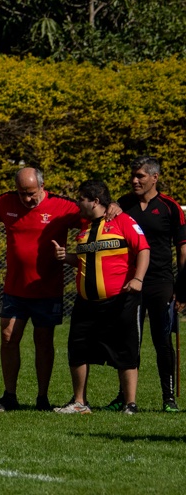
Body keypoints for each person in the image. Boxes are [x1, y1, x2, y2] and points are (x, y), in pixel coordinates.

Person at [0, 168, 82, 412]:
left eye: (32, 193)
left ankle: (42, 398)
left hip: (47, 290)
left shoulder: (63, 206)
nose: (27, 199)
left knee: (43, 341)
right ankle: (9, 396)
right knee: (8, 338)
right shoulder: (7, 202)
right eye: (22, 193)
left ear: (42, 187)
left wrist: (113, 207)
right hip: (14, 289)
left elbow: (91, 215)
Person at [54, 180, 150, 415]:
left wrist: (138, 279)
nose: (78, 203)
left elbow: (144, 249)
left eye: (81, 199)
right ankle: (79, 402)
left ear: (95, 201)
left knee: (126, 351)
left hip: (120, 300)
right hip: (86, 303)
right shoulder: (84, 228)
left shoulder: (123, 220)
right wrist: (67, 258)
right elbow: (86, 260)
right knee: (77, 349)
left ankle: (130, 404)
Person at [113, 157, 186, 412]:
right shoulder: (122, 204)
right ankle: (124, 396)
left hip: (161, 283)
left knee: (162, 340)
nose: (135, 180)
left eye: (141, 176)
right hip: (130, 283)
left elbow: (182, 250)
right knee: (129, 340)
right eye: (133, 175)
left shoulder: (170, 207)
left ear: (154, 177)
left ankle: (168, 398)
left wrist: (182, 287)